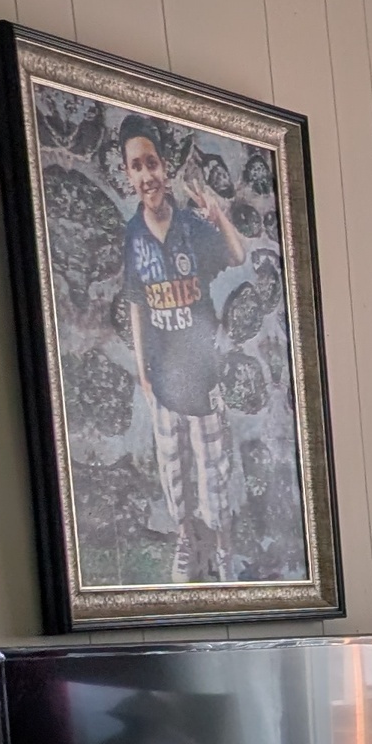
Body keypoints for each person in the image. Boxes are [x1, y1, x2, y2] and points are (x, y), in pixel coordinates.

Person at [114, 116, 251, 583]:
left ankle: (223, 551)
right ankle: (186, 541)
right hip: (164, 377)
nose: (146, 175)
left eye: (152, 163)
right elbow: (136, 304)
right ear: (128, 175)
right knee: (174, 471)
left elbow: (237, 256)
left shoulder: (193, 225)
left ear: (165, 168)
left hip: (204, 376)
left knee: (213, 473)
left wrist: (220, 216)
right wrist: (142, 373)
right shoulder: (133, 236)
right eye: (137, 166)